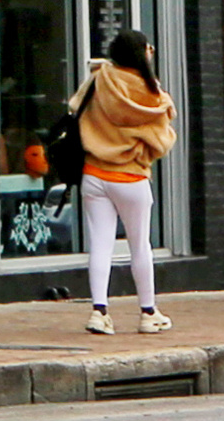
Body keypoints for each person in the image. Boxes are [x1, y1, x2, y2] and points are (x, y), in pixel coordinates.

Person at [75, 28, 177, 335]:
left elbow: (75, 108)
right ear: (142, 53)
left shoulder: (99, 79)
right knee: (139, 246)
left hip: (94, 174)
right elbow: (163, 135)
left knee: (101, 245)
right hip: (131, 176)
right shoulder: (151, 91)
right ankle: (148, 312)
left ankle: (99, 311)